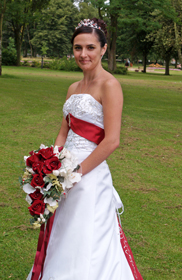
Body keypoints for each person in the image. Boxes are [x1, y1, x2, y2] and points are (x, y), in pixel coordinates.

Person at [27, 18, 143, 280]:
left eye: (90, 47)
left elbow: (111, 140)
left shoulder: (110, 85)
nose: (83, 54)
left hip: (89, 177)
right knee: (63, 232)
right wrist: (50, 167)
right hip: (63, 174)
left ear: (103, 49)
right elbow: (63, 131)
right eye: (78, 48)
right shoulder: (72, 88)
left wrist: (75, 174)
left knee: (86, 235)